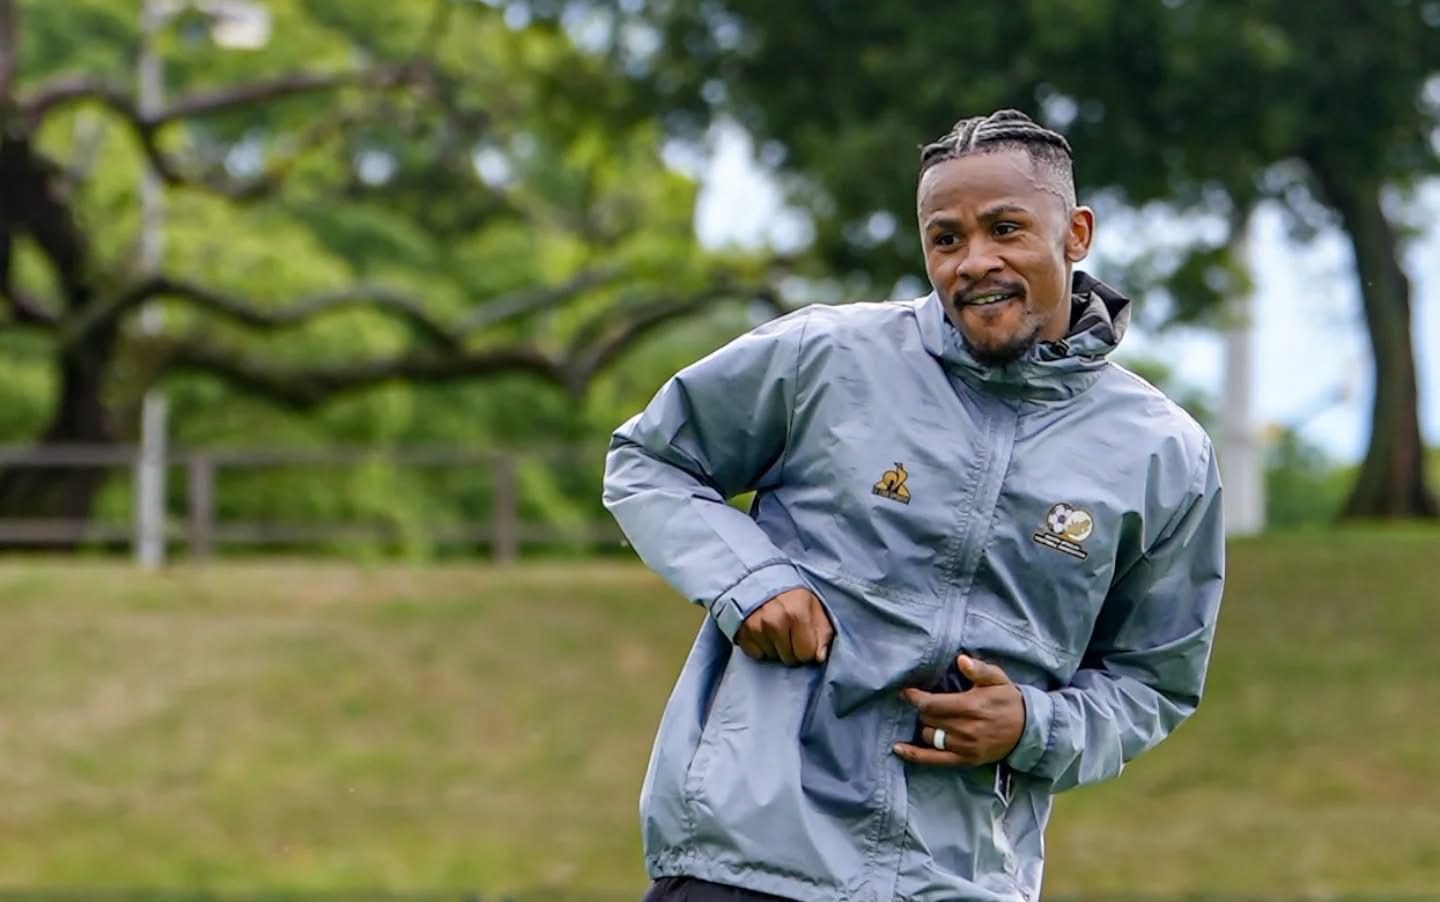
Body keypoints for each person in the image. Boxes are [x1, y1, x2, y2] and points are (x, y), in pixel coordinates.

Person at [602, 108, 1225, 902]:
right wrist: (749, 582)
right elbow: (648, 459)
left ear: (1076, 234)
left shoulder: (1165, 454)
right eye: (946, 238)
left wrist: (1033, 727)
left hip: (960, 879)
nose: (975, 262)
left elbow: (1153, 679)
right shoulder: (824, 357)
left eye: (1005, 229)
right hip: (748, 856)